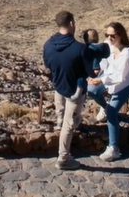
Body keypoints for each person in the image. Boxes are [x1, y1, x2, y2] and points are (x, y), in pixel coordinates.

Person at [42, 11, 103, 170]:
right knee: (69, 125)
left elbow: (48, 65)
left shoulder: (48, 45)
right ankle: (63, 158)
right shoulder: (79, 49)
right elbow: (90, 73)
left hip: (58, 86)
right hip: (74, 92)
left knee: (63, 120)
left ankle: (59, 126)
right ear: (70, 24)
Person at [87, 21, 129, 162]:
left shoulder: (127, 54)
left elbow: (119, 76)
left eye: (112, 36)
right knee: (91, 90)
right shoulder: (108, 45)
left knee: (112, 112)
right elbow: (101, 60)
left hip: (124, 84)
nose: (109, 38)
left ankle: (113, 147)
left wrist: (99, 80)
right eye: (107, 35)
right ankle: (104, 106)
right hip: (108, 77)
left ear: (120, 35)